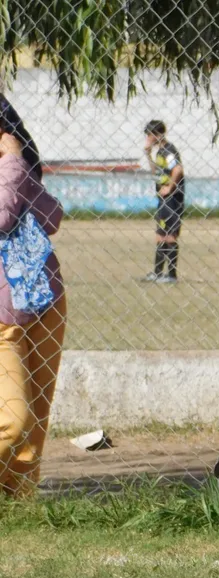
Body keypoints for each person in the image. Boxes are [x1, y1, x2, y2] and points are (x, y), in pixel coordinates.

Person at [0, 130, 65, 496]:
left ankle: (17, 504)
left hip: (45, 301)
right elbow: (3, 217)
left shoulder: (10, 169)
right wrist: (12, 162)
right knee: (12, 420)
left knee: (36, 420)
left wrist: (17, 167)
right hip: (3, 318)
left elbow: (52, 217)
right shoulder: (8, 167)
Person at [142, 120, 185, 283]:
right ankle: (158, 273)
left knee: (170, 236)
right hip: (163, 199)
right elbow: (155, 172)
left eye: (150, 135)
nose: (148, 138)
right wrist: (148, 154)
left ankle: (172, 276)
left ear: (158, 135)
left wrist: (170, 187)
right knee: (160, 235)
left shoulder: (168, 151)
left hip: (173, 199)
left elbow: (178, 169)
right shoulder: (159, 153)